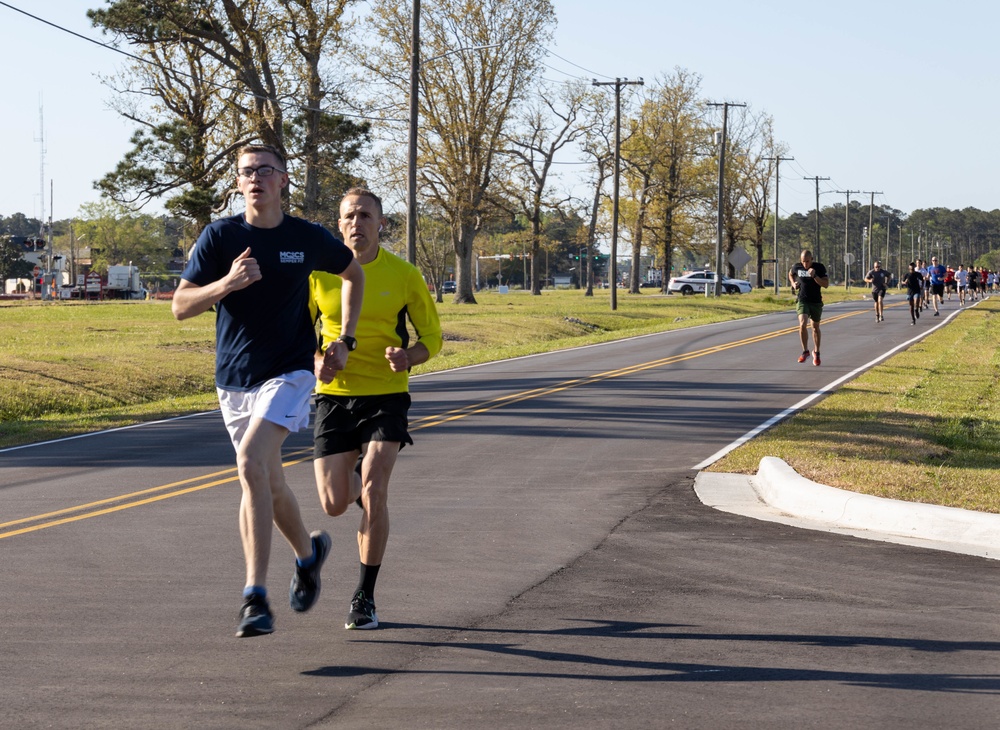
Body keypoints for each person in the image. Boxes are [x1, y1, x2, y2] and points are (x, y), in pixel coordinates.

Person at [172, 144, 365, 638]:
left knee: (249, 465)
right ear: (238, 184)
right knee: (268, 483)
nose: (255, 177)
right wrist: (226, 284)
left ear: (283, 180)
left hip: (292, 371)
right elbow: (180, 306)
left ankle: (254, 597)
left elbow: (353, 273)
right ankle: (308, 553)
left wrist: (344, 338)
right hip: (234, 378)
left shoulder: (306, 236)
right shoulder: (220, 236)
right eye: (246, 172)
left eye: (265, 170)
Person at [310, 187, 443, 630]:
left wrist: (410, 357)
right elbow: (299, 333)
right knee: (332, 504)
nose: (357, 223)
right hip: (334, 395)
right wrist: (316, 360)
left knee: (376, 487)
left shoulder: (403, 274)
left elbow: (433, 338)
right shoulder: (319, 274)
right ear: (339, 224)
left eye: (366, 216)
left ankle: (364, 597)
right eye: (349, 216)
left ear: (381, 224)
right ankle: (357, 487)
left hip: (386, 393)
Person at [789, 249, 829, 366]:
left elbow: (825, 284)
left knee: (815, 327)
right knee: (802, 323)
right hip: (802, 300)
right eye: (803, 262)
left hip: (816, 301)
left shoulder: (819, 267)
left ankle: (816, 352)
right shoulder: (797, 267)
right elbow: (790, 273)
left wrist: (815, 276)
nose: (805, 264)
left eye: (807, 261)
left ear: (812, 259)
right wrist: (793, 283)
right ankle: (805, 351)